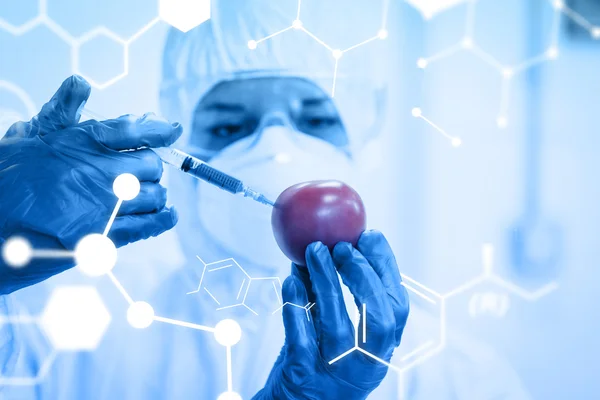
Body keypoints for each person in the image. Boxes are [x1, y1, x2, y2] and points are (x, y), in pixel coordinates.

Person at [0, 1, 528, 399]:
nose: (277, 150)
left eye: (316, 120)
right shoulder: (68, 335)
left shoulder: (460, 379)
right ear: (181, 140)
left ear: (363, 137)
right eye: (230, 124)